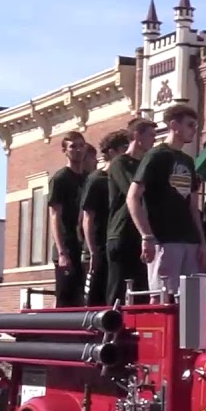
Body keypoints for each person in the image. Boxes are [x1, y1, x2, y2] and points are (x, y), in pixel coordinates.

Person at [126, 103, 206, 295]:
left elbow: (193, 206)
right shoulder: (156, 155)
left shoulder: (188, 161)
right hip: (163, 239)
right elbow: (132, 196)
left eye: (195, 126)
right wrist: (146, 236)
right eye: (190, 125)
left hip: (190, 240)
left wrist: (202, 241)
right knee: (162, 297)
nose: (194, 130)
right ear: (174, 125)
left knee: (191, 299)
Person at [106, 118, 157, 304]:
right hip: (121, 233)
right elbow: (133, 192)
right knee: (118, 289)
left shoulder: (147, 163)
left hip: (141, 236)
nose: (154, 140)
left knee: (141, 288)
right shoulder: (120, 162)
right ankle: (110, 329)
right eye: (151, 135)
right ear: (137, 136)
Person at [81, 130, 130, 306]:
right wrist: (92, 251)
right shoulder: (97, 179)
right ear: (111, 152)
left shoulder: (121, 178)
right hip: (98, 246)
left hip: (114, 242)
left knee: (114, 289)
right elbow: (87, 217)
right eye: (125, 147)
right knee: (95, 294)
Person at [48, 130, 90, 307]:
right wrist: (62, 252)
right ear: (65, 150)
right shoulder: (60, 178)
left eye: (81, 146)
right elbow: (55, 215)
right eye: (73, 146)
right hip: (67, 246)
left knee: (82, 296)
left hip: (84, 245)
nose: (78, 150)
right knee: (66, 297)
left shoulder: (88, 178)